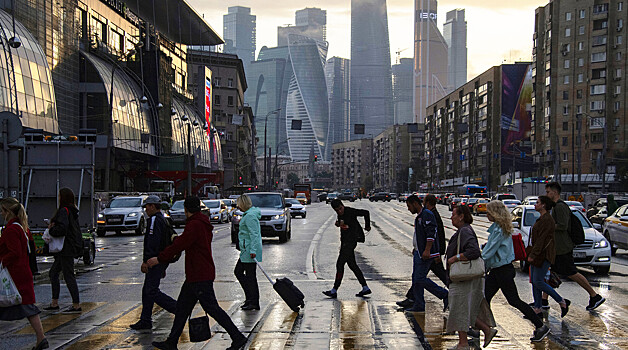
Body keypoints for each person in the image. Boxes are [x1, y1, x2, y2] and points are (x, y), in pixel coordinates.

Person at [148, 196, 247, 350]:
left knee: (212, 308)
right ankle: (172, 342)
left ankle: (238, 337)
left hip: (199, 275)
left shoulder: (194, 225)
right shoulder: (201, 223)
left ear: (186, 210)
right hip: (197, 274)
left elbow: (180, 245)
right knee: (182, 309)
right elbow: (186, 241)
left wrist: (159, 259)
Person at [482, 200, 550, 342]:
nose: (486, 214)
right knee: (484, 299)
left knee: (513, 301)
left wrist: (476, 260)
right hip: (498, 270)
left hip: (502, 271)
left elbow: (489, 252)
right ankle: (482, 329)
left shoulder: (499, 230)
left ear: (495, 213)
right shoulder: (499, 228)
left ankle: (540, 326)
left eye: (488, 212)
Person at [544, 182, 605, 310]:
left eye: (548, 192)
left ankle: (594, 296)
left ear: (554, 193)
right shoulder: (556, 206)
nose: (547, 194)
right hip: (558, 247)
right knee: (551, 273)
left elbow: (563, 225)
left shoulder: (560, 207)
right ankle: (543, 300)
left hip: (563, 247)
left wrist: (549, 226)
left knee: (572, 273)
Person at [446, 205, 496, 350]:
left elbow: (474, 251)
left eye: (454, 215)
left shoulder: (465, 231)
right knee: (461, 309)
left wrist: (455, 258)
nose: (451, 217)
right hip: (462, 278)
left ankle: (464, 343)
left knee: (459, 308)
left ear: (461, 216)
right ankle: (485, 331)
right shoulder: (463, 230)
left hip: (463, 278)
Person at [0, 198, 48, 350]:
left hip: (14, 275)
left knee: (27, 307)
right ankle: (41, 338)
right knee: (28, 307)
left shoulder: (11, 230)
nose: (1, 214)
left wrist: (2, 262)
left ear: (8, 211)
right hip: (21, 273)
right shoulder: (20, 227)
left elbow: (14, 252)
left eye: (2, 211)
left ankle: (41, 338)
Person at [129, 195, 177, 330]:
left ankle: (178, 309)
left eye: (147, 206)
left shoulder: (154, 220)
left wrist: (147, 261)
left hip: (154, 260)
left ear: (152, 206)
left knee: (151, 291)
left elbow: (152, 242)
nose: (146, 209)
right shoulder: (163, 219)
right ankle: (145, 319)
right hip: (160, 260)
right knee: (147, 290)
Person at [397, 194, 448, 309]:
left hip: (426, 254)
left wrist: (427, 250)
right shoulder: (420, 216)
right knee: (416, 278)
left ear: (415, 203)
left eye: (409, 206)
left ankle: (444, 294)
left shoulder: (427, 214)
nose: (409, 209)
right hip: (419, 252)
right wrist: (416, 248)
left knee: (419, 278)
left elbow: (432, 233)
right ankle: (418, 304)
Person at [528, 196, 570, 318]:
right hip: (539, 254)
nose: (535, 205)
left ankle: (561, 301)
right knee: (535, 282)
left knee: (538, 281)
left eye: (537, 203)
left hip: (543, 255)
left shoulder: (547, 220)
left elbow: (542, 240)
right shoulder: (542, 218)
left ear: (544, 205)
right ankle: (537, 309)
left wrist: (533, 254)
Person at [323, 199, 371, 298]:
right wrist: (339, 224)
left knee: (340, 264)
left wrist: (367, 226)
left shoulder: (350, 211)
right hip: (345, 242)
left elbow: (366, 213)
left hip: (351, 241)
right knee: (352, 265)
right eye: (337, 210)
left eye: (340, 209)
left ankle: (334, 290)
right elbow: (342, 224)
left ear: (342, 205)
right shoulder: (340, 214)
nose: (340, 211)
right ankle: (365, 287)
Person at [44, 188, 82, 313]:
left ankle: (76, 305)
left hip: (65, 248)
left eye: (59, 195)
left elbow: (62, 229)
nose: (58, 197)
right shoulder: (72, 211)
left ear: (63, 197)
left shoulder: (63, 211)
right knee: (54, 273)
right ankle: (55, 303)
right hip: (68, 248)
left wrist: (51, 229)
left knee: (67, 275)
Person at [234, 194, 262, 311]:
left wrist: (253, 250)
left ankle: (253, 300)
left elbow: (254, 234)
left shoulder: (250, 216)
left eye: (239, 204)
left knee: (248, 276)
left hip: (250, 251)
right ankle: (250, 299)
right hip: (247, 250)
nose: (237, 207)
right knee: (242, 274)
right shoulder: (249, 214)